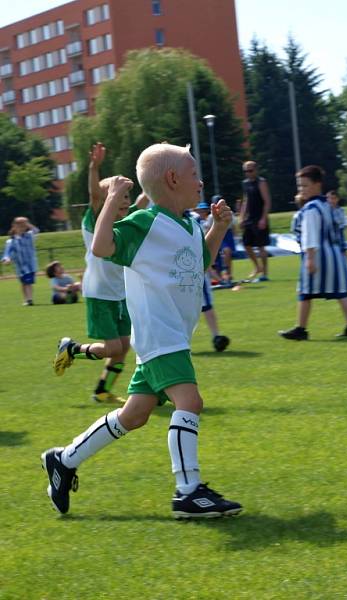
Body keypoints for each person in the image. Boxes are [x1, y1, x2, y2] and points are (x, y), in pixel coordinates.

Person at [41, 143, 242, 518]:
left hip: (170, 335)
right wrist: (113, 195)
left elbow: (199, 263)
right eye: (194, 173)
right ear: (172, 179)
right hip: (160, 335)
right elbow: (101, 247)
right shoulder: (144, 224)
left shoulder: (187, 224)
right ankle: (189, 491)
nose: (201, 181)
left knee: (133, 415)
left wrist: (219, 227)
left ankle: (63, 461)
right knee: (190, 402)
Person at [52, 142, 132, 404]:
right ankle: (73, 349)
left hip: (120, 295)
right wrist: (94, 167)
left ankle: (102, 390)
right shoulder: (97, 219)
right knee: (112, 348)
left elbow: (148, 199)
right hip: (99, 293)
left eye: (127, 197)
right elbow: (95, 196)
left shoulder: (127, 223)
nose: (125, 201)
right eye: (118, 195)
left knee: (123, 347)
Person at [279, 165, 347, 340]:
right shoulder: (327, 204)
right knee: (341, 292)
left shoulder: (310, 209)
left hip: (318, 256)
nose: (301, 190)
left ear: (317, 184)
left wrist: (309, 258)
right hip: (336, 257)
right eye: (299, 186)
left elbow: (310, 235)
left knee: (305, 293)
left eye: (305, 185)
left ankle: (301, 329)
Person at [191, 200, 230, 352]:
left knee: (203, 305)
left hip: (195, 269)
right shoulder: (192, 220)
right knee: (203, 305)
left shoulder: (194, 219)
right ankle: (215, 335)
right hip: (193, 271)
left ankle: (215, 335)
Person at [240, 160, 271, 282]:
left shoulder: (261, 182)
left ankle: (265, 274)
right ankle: (257, 267)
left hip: (260, 217)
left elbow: (267, 201)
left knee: (261, 246)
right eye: (245, 171)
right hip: (250, 218)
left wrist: (264, 218)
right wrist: (242, 217)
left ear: (256, 170)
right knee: (246, 244)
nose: (248, 173)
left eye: (250, 170)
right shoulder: (245, 183)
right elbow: (245, 200)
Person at [2, 216, 38, 306]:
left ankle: (28, 299)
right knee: (25, 282)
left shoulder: (29, 236)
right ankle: (28, 299)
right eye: (19, 225)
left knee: (28, 282)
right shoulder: (11, 241)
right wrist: (7, 259)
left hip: (31, 265)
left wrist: (27, 223)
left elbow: (36, 230)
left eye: (23, 225)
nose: (22, 227)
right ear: (14, 226)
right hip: (21, 266)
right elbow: (7, 252)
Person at [326, 189, 347, 273]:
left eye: (334, 198)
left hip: (339, 232)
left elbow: (345, 219)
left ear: (337, 199)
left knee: (343, 250)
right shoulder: (325, 210)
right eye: (330, 198)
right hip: (329, 233)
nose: (332, 200)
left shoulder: (341, 210)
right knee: (331, 251)